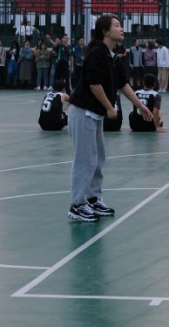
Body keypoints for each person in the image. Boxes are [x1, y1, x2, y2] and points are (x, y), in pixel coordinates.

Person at [67, 14, 152, 222]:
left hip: (93, 114)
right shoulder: (96, 53)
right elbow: (94, 84)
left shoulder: (112, 56)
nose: (121, 29)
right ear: (106, 31)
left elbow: (123, 84)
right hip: (82, 112)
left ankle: (93, 198)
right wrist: (109, 108)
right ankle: (77, 205)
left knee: (98, 157)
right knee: (85, 159)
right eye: (117, 25)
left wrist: (141, 106)